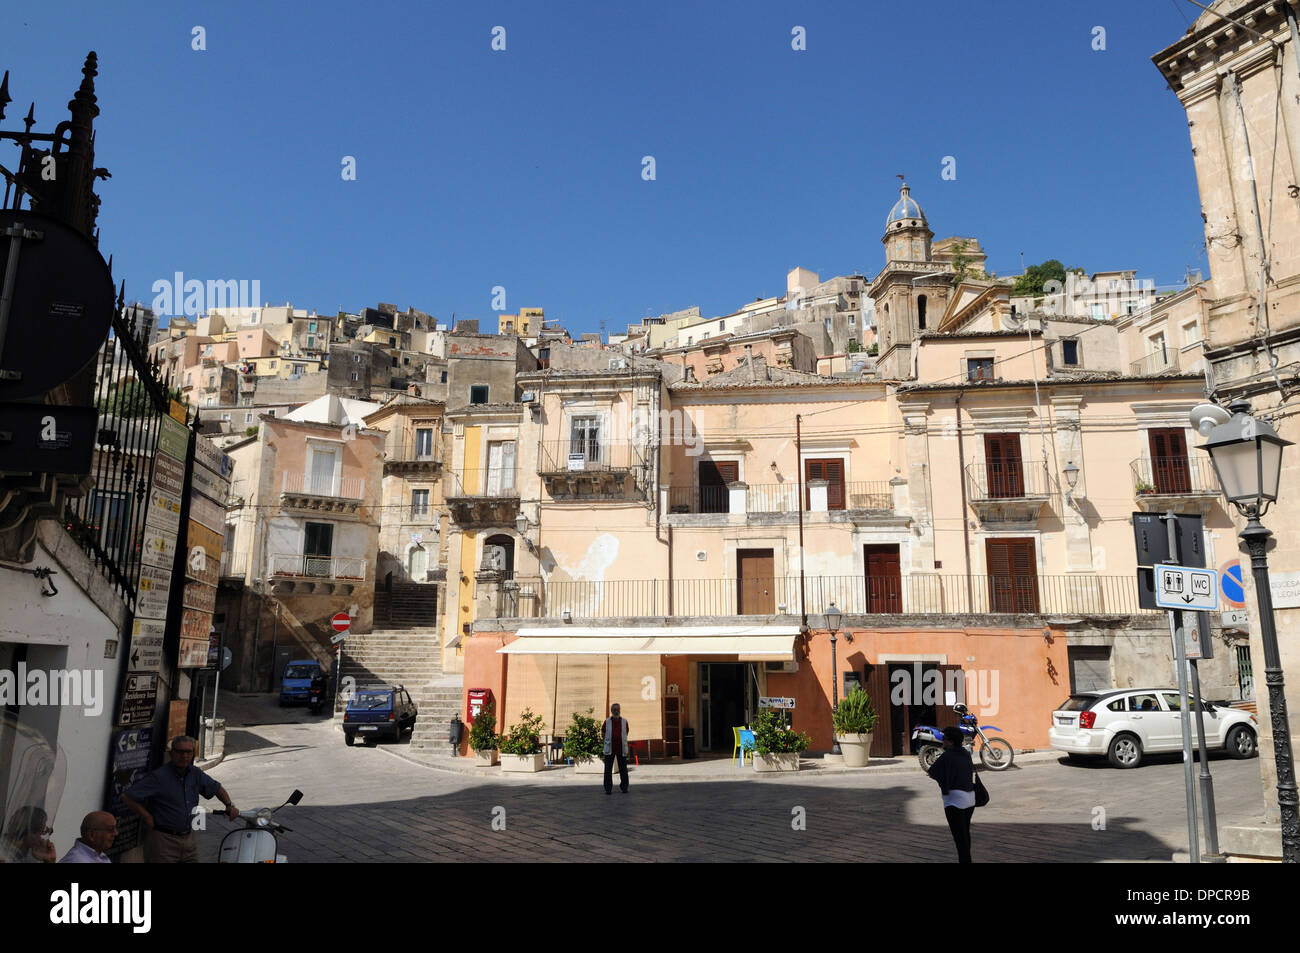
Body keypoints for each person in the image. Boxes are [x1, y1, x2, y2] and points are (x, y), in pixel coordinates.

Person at [122, 735, 238, 863]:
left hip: (188, 839)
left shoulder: (195, 773)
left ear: (193, 753)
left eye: (188, 752)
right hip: (163, 840)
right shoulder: (159, 776)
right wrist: (147, 816)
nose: (184, 756)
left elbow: (217, 788)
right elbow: (127, 796)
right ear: (171, 753)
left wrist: (229, 805)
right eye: (180, 752)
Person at [927, 726, 976, 863]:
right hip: (970, 799)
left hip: (954, 801)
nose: (942, 742)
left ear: (951, 741)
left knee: (959, 837)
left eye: (944, 739)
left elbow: (932, 772)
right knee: (965, 833)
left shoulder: (947, 756)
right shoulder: (966, 753)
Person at [602, 703, 630, 795]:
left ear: (620, 710)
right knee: (608, 770)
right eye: (614, 710)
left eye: (617, 709)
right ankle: (608, 789)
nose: (616, 711)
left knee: (623, 770)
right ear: (611, 711)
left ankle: (624, 787)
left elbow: (626, 732)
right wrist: (606, 741)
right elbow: (603, 732)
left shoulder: (624, 721)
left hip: (621, 749)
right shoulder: (607, 721)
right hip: (609, 748)